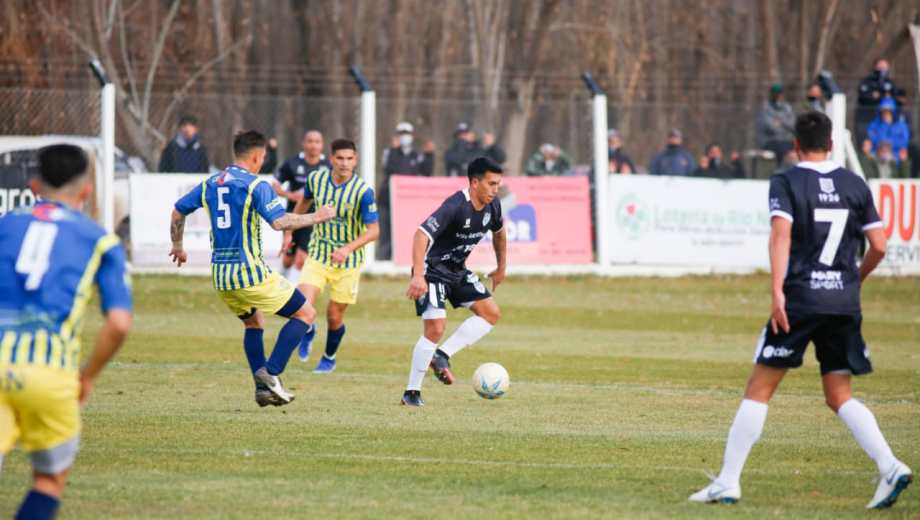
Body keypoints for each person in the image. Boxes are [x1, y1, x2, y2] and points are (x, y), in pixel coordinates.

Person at [690, 112, 913, 509]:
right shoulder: (854, 183)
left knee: (759, 390)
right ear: (831, 144)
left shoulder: (786, 180)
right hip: (843, 303)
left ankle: (727, 481)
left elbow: (781, 235)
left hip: (800, 301)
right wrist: (854, 279)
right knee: (839, 394)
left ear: (795, 145)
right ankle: (890, 465)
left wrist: (776, 289)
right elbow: (879, 245)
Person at [0, 144, 133, 519]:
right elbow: (119, 322)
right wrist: (87, 376)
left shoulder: (5, 224)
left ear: (33, 184)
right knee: (48, 480)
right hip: (50, 374)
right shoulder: (101, 240)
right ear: (87, 191)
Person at [170, 131, 336, 407]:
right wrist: (317, 216)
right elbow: (280, 222)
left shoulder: (211, 182)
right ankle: (270, 374)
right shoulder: (255, 185)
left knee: (254, 322)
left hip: (221, 276)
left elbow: (178, 211)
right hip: (248, 272)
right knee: (306, 313)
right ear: (258, 157)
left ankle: (262, 390)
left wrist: (178, 245)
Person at [402, 156, 507, 406]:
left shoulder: (494, 206)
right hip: (432, 270)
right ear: (474, 182)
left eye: (498, 184)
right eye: (491, 184)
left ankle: (441, 355)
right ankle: (411, 393)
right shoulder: (455, 205)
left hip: (457, 270)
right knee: (436, 328)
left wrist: (501, 267)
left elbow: (500, 234)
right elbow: (420, 234)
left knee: (491, 313)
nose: (495, 189)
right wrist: (418, 276)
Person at [290, 139, 380, 372]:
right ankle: (308, 329)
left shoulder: (363, 192)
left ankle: (329, 357)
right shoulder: (316, 180)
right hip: (318, 254)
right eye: (340, 158)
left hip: (348, 263)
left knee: (333, 316)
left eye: (350, 158)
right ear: (331, 159)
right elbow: (303, 203)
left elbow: (374, 231)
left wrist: (347, 248)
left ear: (356, 160)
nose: (344, 163)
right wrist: (289, 231)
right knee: (302, 305)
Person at [273, 130, 332, 276]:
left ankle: (293, 294)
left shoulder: (328, 166)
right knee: (288, 258)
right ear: (303, 143)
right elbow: (274, 186)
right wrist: (291, 195)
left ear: (322, 145)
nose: (313, 145)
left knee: (302, 258)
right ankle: (283, 282)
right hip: (293, 215)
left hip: (314, 218)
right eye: (310, 141)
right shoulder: (292, 163)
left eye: (317, 142)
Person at [378, 121, 434, 259]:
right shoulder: (388, 152)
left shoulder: (417, 155)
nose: (404, 137)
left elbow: (427, 173)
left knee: (406, 232)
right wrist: (394, 150)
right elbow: (389, 169)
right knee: (386, 232)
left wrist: (430, 155)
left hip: (407, 203)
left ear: (412, 136)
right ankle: (384, 260)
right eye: (401, 134)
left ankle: (405, 259)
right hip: (387, 200)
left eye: (407, 134)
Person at [857, 59, 898, 141]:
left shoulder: (890, 82)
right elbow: (862, 94)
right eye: (881, 66)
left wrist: (880, 96)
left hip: (882, 117)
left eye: (885, 67)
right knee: (865, 137)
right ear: (875, 67)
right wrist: (873, 96)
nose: (883, 69)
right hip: (867, 115)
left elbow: (893, 95)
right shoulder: (868, 80)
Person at [756, 84, 796, 165]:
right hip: (770, 141)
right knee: (783, 148)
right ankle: (781, 170)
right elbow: (770, 127)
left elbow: (793, 125)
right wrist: (785, 127)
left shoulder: (787, 108)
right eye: (775, 93)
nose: (778, 96)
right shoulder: (766, 108)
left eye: (779, 93)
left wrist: (781, 122)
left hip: (786, 141)